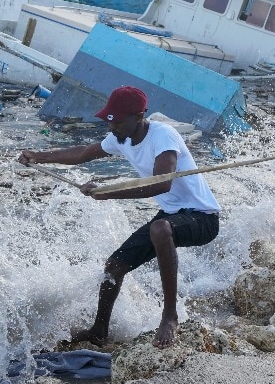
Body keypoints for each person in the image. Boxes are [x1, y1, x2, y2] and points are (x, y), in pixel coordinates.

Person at [18, 86, 221, 348]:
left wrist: (108, 192)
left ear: (139, 116)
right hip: (172, 215)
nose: (112, 128)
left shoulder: (164, 136)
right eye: (109, 121)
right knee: (113, 267)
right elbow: (82, 153)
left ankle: (170, 316)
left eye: (119, 122)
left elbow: (161, 184)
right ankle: (99, 330)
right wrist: (39, 156)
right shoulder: (120, 138)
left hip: (202, 218)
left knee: (160, 229)